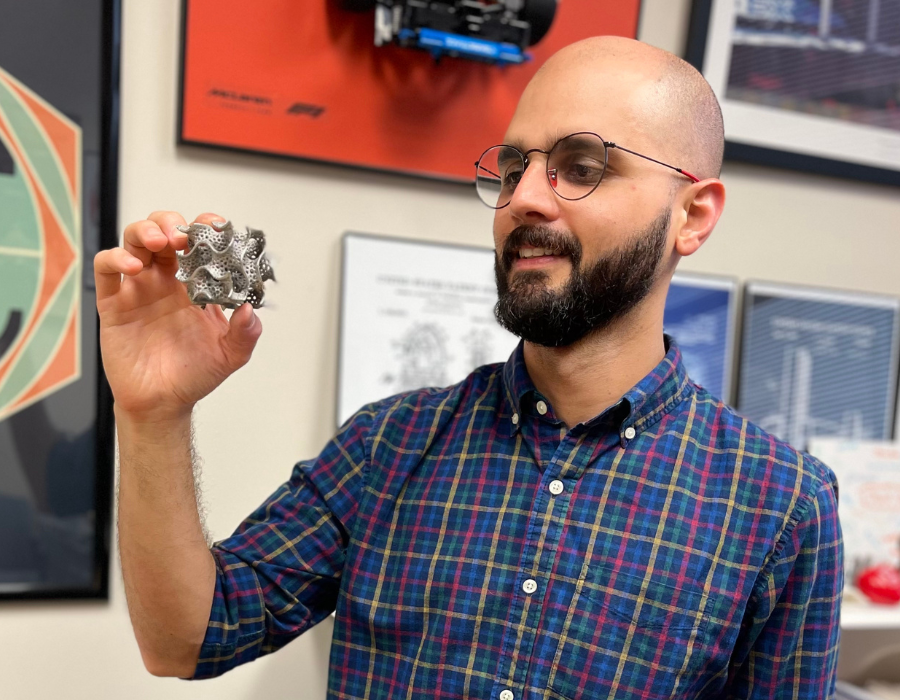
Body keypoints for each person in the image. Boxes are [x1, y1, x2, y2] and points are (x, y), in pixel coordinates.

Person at [94, 36, 842, 699]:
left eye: (581, 167)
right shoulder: (389, 445)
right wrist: (153, 412)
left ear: (693, 216)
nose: (523, 199)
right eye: (515, 166)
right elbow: (186, 641)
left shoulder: (781, 509)